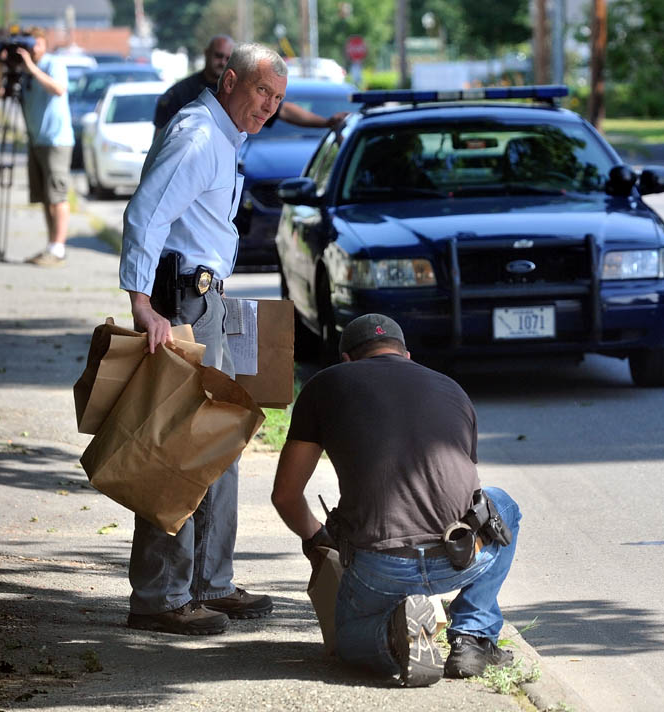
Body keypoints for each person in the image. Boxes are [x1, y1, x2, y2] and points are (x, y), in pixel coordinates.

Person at [119, 42, 288, 636]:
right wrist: (142, 303)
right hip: (180, 299)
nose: (267, 107)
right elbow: (146, 213)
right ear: (230, 78)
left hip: (206, 297)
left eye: (276, 99)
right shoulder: (197, 133)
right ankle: (161, 597)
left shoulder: (224, 137)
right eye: (261, 91)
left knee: (219, 442)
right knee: (179, 448)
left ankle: (208, 584)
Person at [271, 314, 522, 687]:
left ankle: (392, 633)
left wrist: (316, 536)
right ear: (406, 355)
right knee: (504, 506)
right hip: (460, 555)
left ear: (346, 360)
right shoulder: (451, 388)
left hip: (380, 566)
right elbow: (467, 491)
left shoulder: (326, 385)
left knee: (348, 640)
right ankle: (472, 637)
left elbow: (286, 495)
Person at [153, 35, 346, 138]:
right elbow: (161, 142)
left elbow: (284, 112)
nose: (222, 62)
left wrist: (326, 122)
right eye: (218, 56)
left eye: (228, 58)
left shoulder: (244, 90)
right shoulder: (180, 94)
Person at [15, 27, 74, 267]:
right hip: (36, 140)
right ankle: (51, 245)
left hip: (56, 140)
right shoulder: (24, 69)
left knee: (57, 195)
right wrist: (3, 66)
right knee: (45, 197)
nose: (32, 48)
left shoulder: (53, 63)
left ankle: (58, 249)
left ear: (43, 44)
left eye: (36, 43)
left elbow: (59, 89)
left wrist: (30, 67)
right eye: (29, 44)